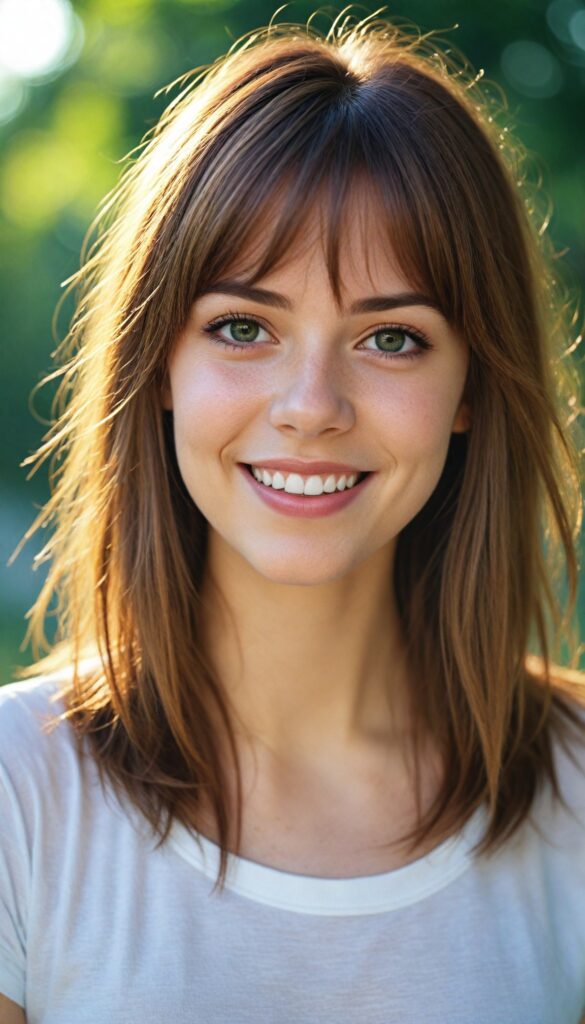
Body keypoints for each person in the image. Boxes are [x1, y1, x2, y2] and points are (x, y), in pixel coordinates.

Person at [1, 11, 584, 1023]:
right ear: (161, 368)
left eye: (392, 338)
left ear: (473, 390)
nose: (311, 403)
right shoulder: (18, 799)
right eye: (243, 327)